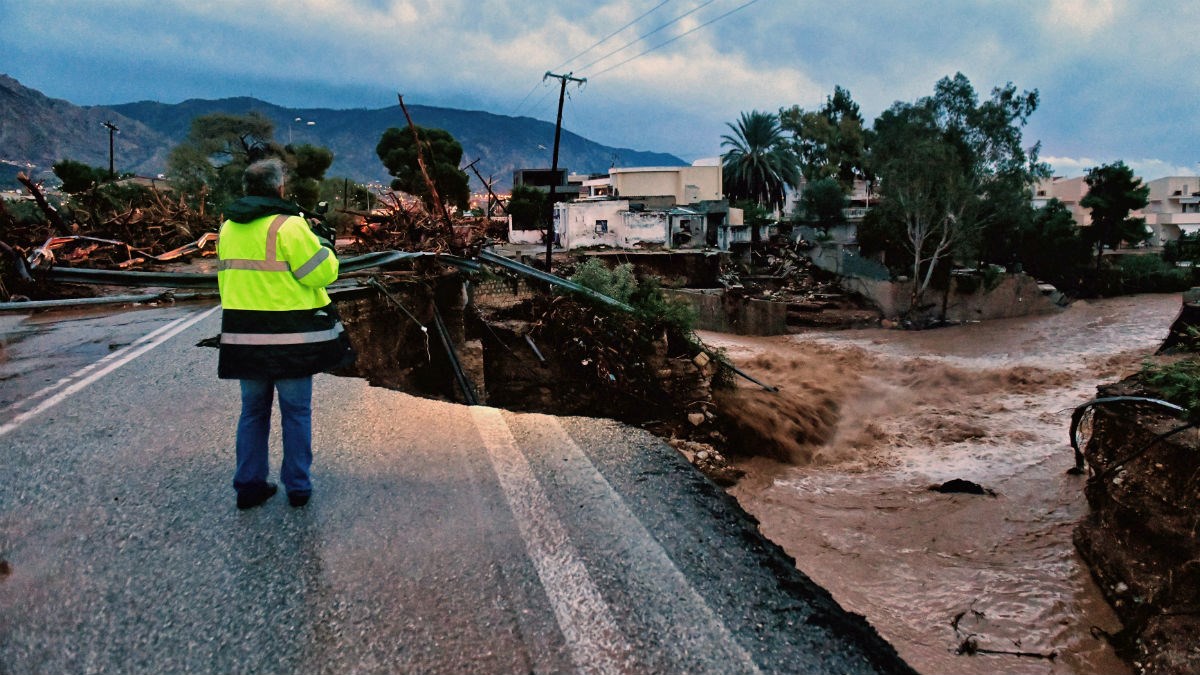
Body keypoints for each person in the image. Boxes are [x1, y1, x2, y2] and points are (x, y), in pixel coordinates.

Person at [217, 157, 345, 510]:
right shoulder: (289, 227)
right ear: (280, 188)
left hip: (244, 336)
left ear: (246, 189)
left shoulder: (228, 228)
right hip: (291, 339)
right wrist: (327, 246)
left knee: (253, 412)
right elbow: (320, 275)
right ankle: (298, 487)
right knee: (296, 412)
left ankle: (248, 485)